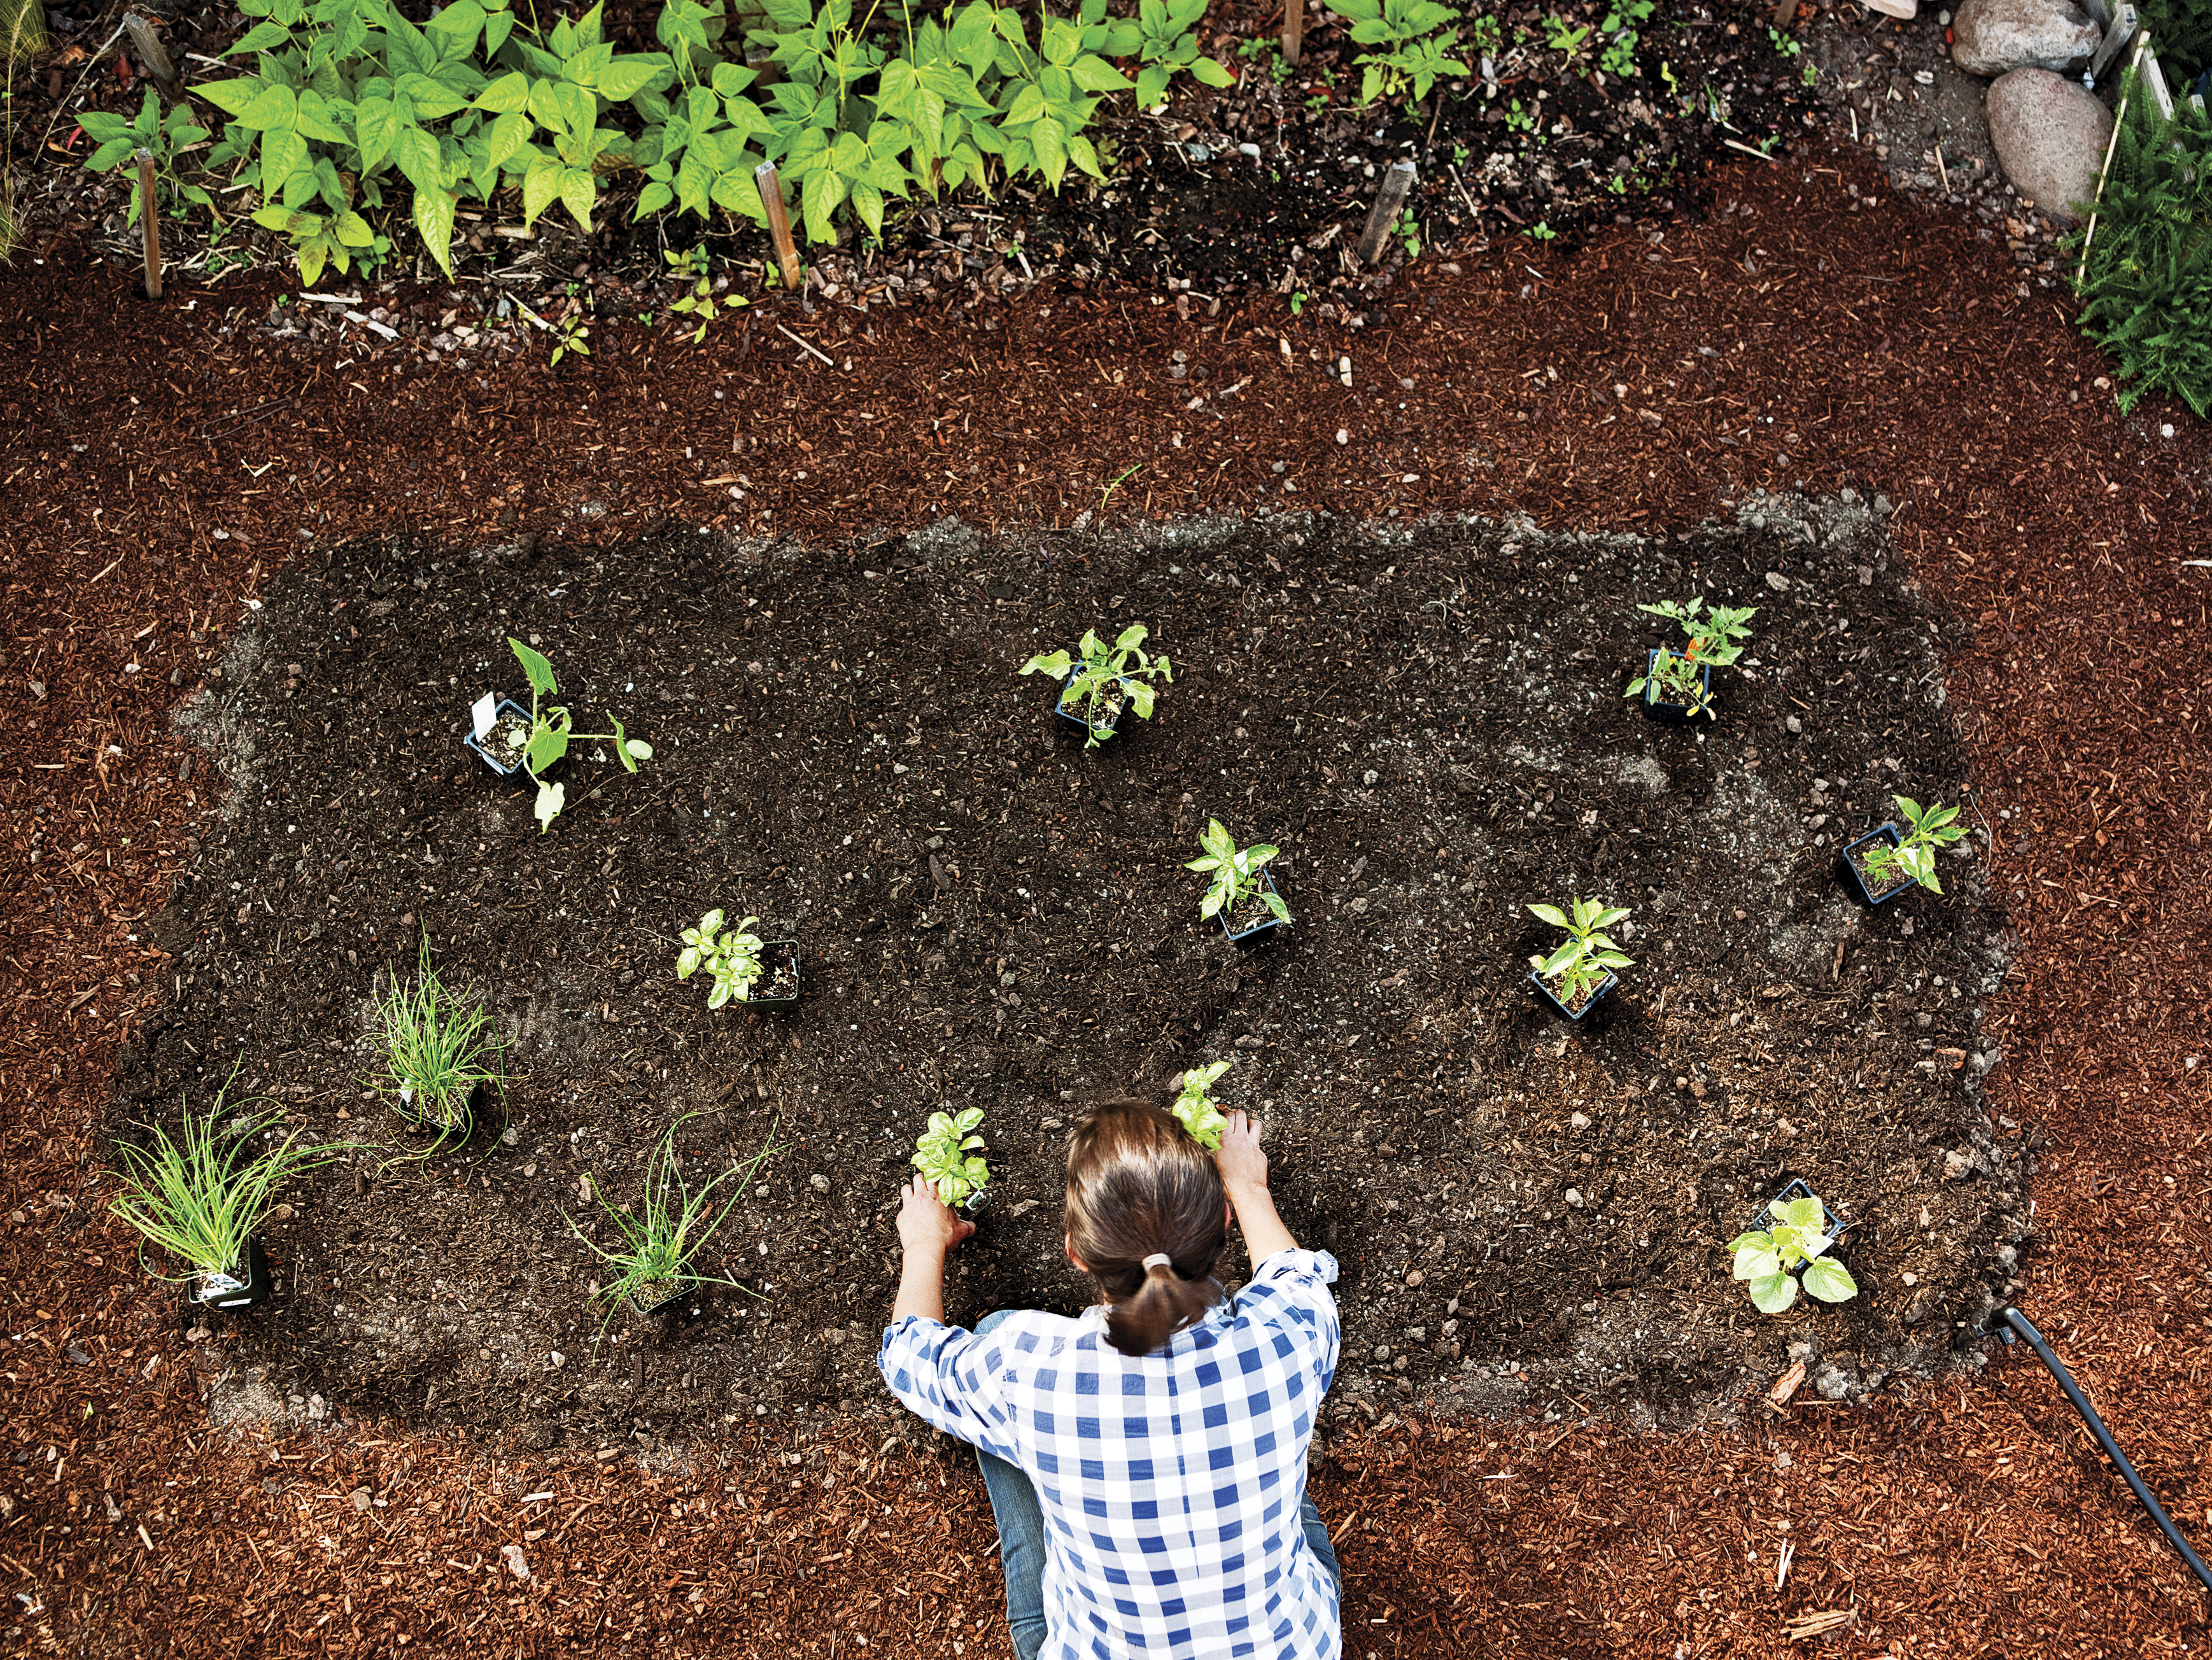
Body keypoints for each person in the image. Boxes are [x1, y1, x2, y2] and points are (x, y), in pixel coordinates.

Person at [879, 1098, 1343, 1660]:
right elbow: (1295, 1273)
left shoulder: (1028, 1371)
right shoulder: (1286, 1335)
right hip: (1292, 1642)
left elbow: (908, 1355)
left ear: (1076, 1255)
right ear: (1223, 1222)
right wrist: (1249, 1186)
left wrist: (923, 1243)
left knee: (995, 1339)